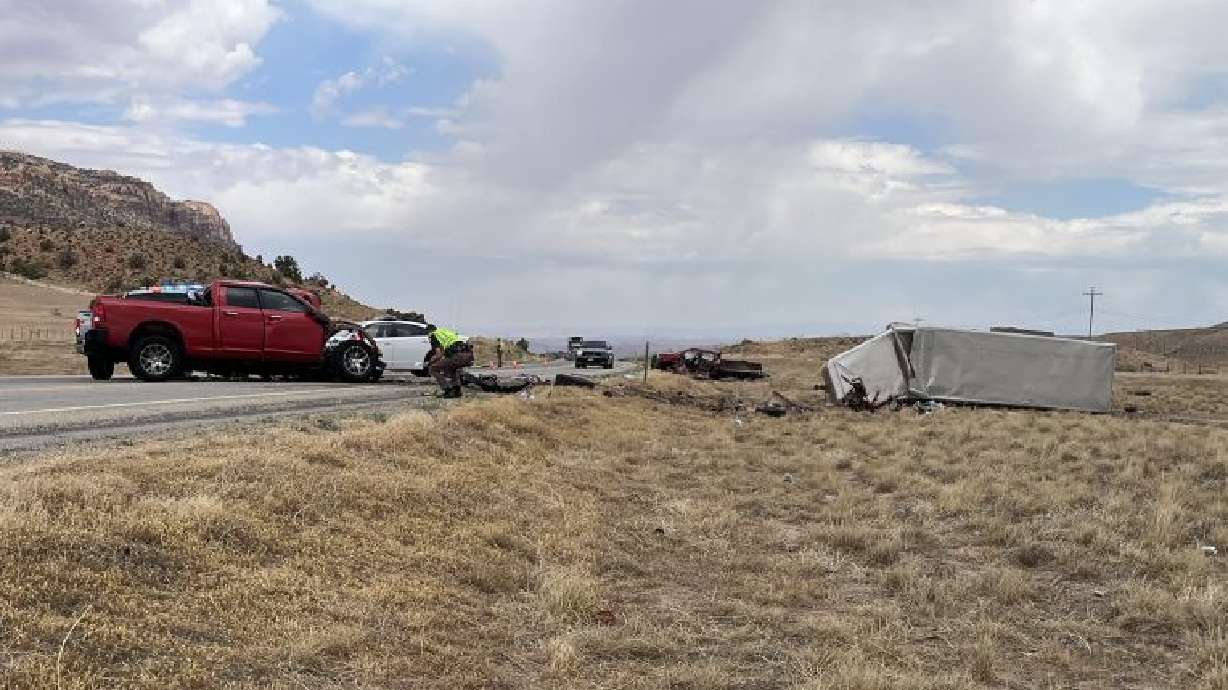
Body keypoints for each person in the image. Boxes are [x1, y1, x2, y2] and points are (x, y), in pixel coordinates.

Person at [426, 324, 474, 398]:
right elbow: (443, 352)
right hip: (468, 355)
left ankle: (448, 390)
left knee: (433, 368)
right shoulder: (445, 332)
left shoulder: (434, 335)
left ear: (429, 331)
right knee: (451, 368)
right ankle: (457, 391)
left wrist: (430, 362)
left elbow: (439, 353)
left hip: (457, 356)